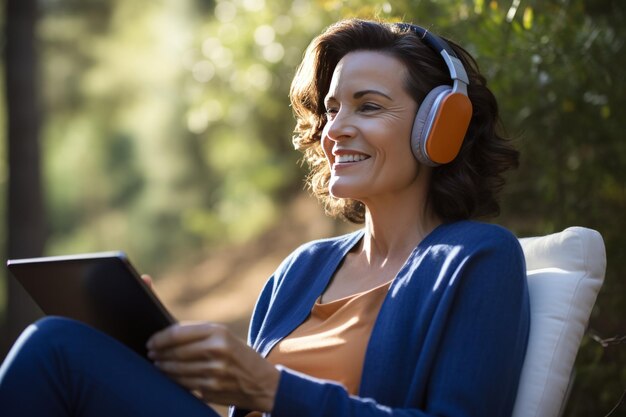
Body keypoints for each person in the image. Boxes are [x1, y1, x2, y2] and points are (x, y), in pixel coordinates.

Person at [0, 18, 529, 417]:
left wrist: (272, 387)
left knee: (54, 349)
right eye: (332, 109)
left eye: (368, 106)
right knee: (64, 343)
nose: (336, 128)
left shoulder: (477, 259)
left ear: (439, 127)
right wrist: (164, 361)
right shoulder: (302, 269)